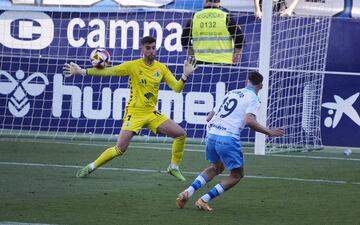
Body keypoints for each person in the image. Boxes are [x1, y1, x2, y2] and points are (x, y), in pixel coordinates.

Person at [63, 36, 197, 181]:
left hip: (151, 113)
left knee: (180, 134)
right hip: (134, 113)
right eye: (148, 48)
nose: (151, 51)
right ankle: (91, 167)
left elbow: (177, 89)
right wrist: (82, 71)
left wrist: (185, 75)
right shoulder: (133, 66)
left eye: (153, 48)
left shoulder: (161, 68)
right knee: (120, 149)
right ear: (142, 49)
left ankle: (173, 167)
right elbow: (110, 71)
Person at [175, 71, 284, 211]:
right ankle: (203, 200)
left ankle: (187, 192)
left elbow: (209, 117)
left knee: (216, 167)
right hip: (227, 138)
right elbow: (249, 120)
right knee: (237, 175)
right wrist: (269, 131)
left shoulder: (231, 92)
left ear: (246, 82)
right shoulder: (254, 99)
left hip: (211, 134)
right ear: (261, 86)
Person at [181, 0, 244, 64]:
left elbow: (184, 40)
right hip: (224, 63)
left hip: (200, 62)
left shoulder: (195, 17)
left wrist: (192, 55)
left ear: (205, 1)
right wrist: (237, 54)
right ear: (219, 2)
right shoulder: (226, 17)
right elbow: (239, 38)